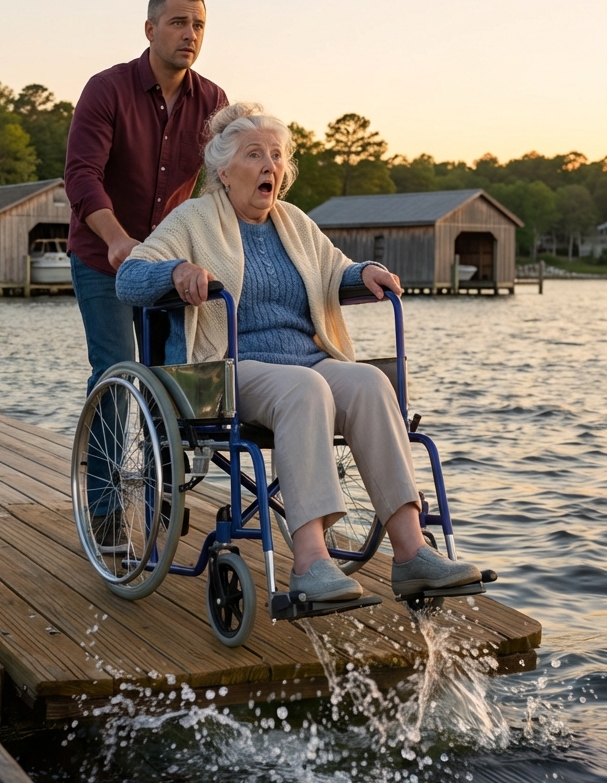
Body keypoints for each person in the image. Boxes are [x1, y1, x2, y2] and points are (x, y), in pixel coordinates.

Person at [116, 103, 482, 602]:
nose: (270, 165)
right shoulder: (193, 220)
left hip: (307, 360)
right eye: (254, 155)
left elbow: (334, 270)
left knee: (372, 383)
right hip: (232, 367)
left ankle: (411, 551)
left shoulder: (294, 222)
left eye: (277, 155)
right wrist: (175, 271)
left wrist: (364, 272)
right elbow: (129, 277)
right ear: (224, 172)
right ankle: (311, 561)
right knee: (305, 388)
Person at [64, 0, 228, 394]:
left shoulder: (213, 100)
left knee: (171, 376)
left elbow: (224, 183)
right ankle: (107, 441)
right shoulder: (106, 89)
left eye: (198, 25)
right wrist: (117, 239)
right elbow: (81, 175)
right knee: (117, 369)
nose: (190, 34)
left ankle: (161, 442)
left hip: (166, 259)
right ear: (150, 30)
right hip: (103, 255)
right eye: (178, 23)